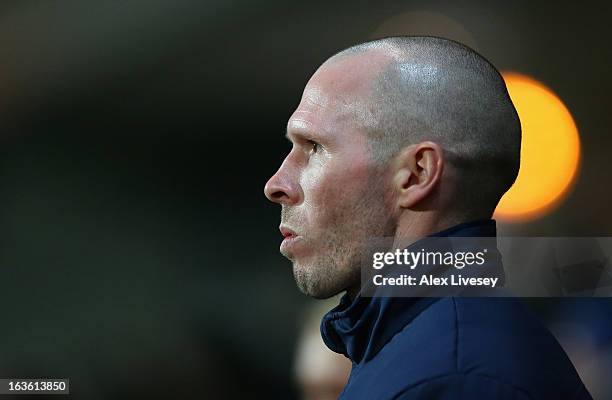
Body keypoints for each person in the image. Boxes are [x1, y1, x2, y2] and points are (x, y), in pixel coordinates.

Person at [264, 36, 592, 399]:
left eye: (314, 148)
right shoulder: (423, 350)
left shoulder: (454, 378)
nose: (276, 184)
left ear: (418, 173)